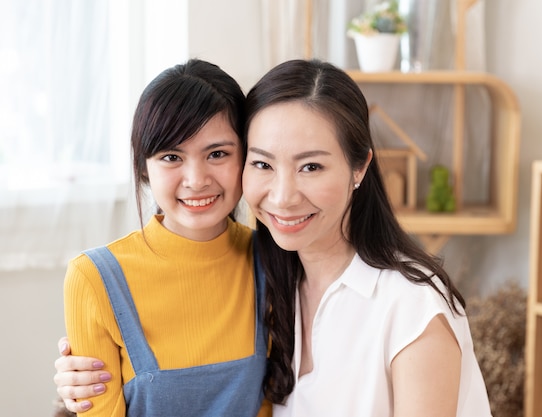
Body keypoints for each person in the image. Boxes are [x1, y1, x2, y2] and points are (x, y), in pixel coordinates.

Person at [56, 59, 492, 416]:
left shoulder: (410, 306)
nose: (282, 198)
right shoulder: (277, 273)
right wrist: (78, 383)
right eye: (263, 164)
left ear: (359, 168)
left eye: (311, 167)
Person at [58, 58, 270, 417]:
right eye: (171, 157)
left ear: (246, 157)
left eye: (217, 153)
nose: (196, 179)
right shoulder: (93, 278)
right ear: (144, 167)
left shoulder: (273, 259)